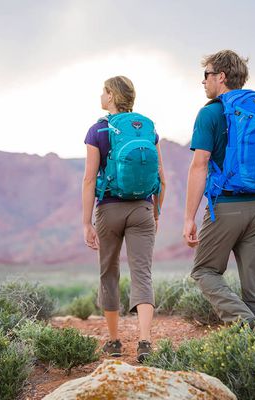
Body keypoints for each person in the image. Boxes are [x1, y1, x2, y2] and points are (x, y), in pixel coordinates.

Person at [182, 50, 255, 327]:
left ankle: (244, 323)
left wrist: (189, 217)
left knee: (204, 270)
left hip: (227, 207)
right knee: (254, 287)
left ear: (222, 77)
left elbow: (199, 165)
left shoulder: (211, 113)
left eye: (207, 75)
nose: (203, 81)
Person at [82, 76, 166, 363]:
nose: (100, 95)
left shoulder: (98, 131)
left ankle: (115, 342)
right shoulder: (147, 129)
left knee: (109, 272)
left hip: (108, 209)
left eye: (103, 91)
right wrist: (156, 210)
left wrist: (85, 222)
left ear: (111, 96)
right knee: (142, 273)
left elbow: (88, 180)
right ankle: (144, 341)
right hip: (142, 208)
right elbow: (162, 180)